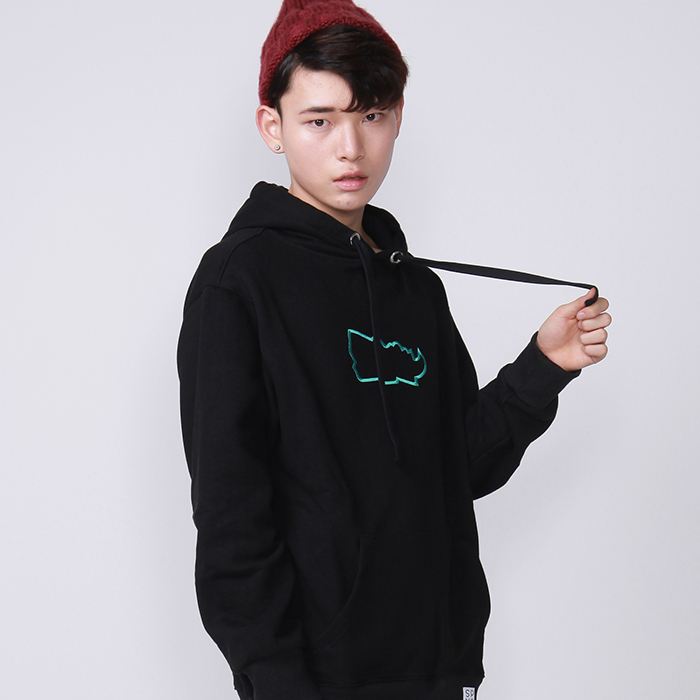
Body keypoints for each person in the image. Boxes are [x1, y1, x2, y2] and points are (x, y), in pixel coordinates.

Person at [177, 1, 612, 699]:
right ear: (273, 127)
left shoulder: (413, 287)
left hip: (437, 669)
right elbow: (231, 518)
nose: (350, 147)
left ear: (397, 118)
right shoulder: (239, 282)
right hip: (318, 680)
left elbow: (458, 467)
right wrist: (277, 679)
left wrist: (544, 365)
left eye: (371, 115)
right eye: (319, 120)